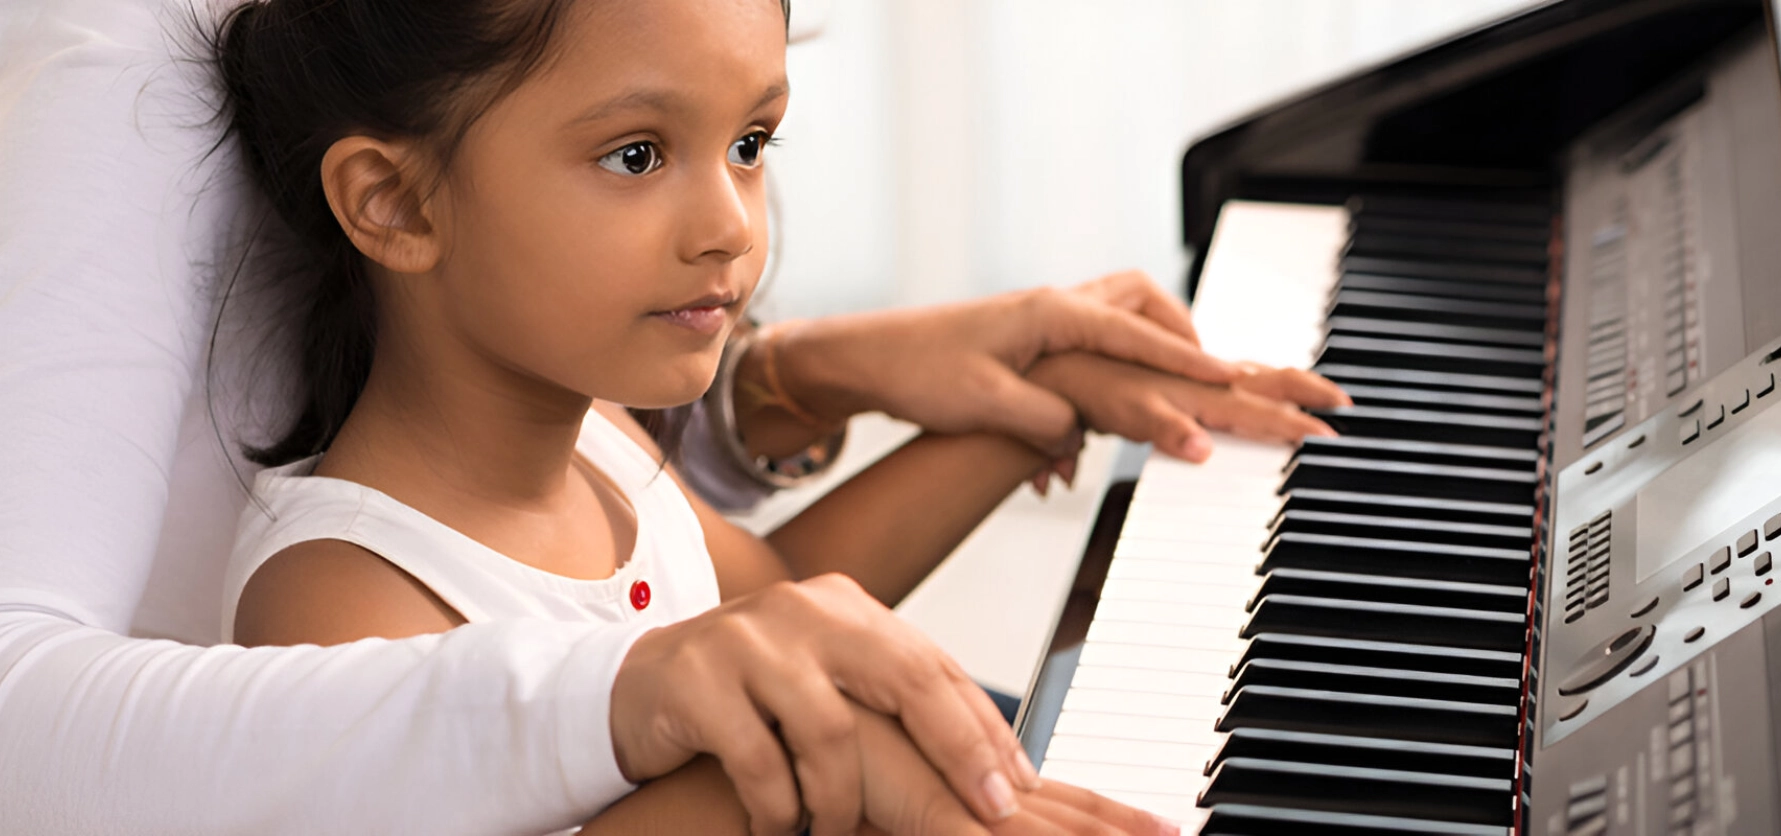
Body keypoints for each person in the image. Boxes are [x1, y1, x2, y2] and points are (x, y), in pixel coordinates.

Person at [0, 0, 1345, 833]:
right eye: (638, 155)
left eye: (751, 143)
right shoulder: (344, 589)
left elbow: (773, 600)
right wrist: (834, 765)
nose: (730, 229)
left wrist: (1021, 408)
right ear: (395, 204)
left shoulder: (592, 442)